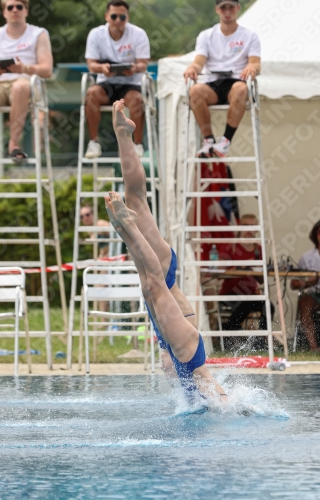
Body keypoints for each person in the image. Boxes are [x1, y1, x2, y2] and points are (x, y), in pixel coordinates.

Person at [108, 99, 227, 403]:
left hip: (173, 328)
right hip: (175, 317)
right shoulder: (195, 369)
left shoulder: (186, 366)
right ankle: (127, 226)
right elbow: (224, 401)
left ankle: (124, 135)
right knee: (152, 282)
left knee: (135, 201)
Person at [183, 0, 261, 158]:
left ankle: (225, 141)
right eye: (223, 7)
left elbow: (255, 63)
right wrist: (192, 68)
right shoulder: (206, 35)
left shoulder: (250, 36)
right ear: (217, 9)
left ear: (237, 8)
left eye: (230, 7)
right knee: (194, 91)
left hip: (236, 82)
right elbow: (199, 62)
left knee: (241, 89)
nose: (227, 11)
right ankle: (209, 140)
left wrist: (251, 67)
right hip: (213, 83)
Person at [0, 0, 53, 162]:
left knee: (20, 87)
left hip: (27, 85)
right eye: (10, 7)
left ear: (26, 11)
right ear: (4, 12)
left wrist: (25, 69)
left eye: (19, 7)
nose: (15, 10)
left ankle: (14, 144)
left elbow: (47, 70)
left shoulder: (39, 34)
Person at [84, 0, 150, 159]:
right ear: (106, 16)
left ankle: (138, 144)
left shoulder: (138, 34)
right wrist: (103, 68)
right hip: (105, 85)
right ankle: (94, 142)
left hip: (130, 84)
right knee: (91, 94)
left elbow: (144, 63)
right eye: (114, 16)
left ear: (128, 17)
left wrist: (133, 68)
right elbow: (91, 64)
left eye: (122, 17)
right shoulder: (96, 34)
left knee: (136, 100)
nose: (118, 21)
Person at [219, 214, 274, 337]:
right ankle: (228, 333)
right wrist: (240, 267)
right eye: (245, 225)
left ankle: (260, 342)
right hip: (230, 294)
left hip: (250, 294)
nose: (249, 229)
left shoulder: (258, 250)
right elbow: (219, 273)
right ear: (239, 227)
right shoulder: (230, 247)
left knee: (269, 307)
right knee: (246, 304)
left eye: (252, 226)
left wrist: (258, 270)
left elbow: (261, 281)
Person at [291, 221, 320, 351]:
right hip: (315, 294)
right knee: (305, 303)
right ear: (316, 235)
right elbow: (294, 283)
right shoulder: (307, 257)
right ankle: (314, 347)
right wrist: (309, 283)